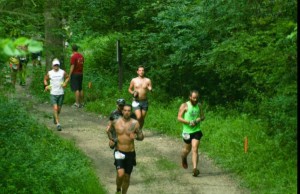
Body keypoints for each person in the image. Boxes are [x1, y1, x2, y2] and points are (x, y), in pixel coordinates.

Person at [107, 104, 144, 194]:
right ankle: (118, 189)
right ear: (122, 111)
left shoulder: (135, 123)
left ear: (130, 112)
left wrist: (135, 136)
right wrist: (111, 141)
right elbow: (109, 131)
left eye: (129, 110)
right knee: (120, 174)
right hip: (119, 151)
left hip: (130, 152)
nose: (127, 112)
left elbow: (141, 136)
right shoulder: (116, 122)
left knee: (127, 177)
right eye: (125, 110)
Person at [177, 90, 205, 177]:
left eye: (197, 98)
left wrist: (198, 119)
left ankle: (194, 169)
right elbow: (179, 118)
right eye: (194, 98)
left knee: (195, 148)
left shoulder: (199, 105)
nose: (195, 100)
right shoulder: (185, 105)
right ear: (190, 97)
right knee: (186, 150)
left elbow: (203, 116)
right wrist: (189, 122)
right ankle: (183, 157)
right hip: (187, 132)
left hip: (196, 130)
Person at [44, 58, 69, 131]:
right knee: (55, 108)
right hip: (53, 93)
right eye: (55, 65)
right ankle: (58, 124)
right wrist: (46, 86)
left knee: (59, 109)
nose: (56, 66)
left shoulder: (62, 72)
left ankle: (55, 117)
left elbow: (67, 77)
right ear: (52, 66)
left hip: (61, 93)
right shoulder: (50, 73)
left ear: (59, 65)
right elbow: (45, 79)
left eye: (57, 65)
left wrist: (65, 83)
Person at [128, 65, 152, 129]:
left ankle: (139, 130)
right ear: (137, 72)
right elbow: (129, 89)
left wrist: (150, 89)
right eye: (140, 70)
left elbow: (150, 89)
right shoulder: (134, 80)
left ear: (144, 71)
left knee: (142, 118)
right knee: (138, 117)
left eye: (142, 70)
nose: (141, 71)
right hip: (136, 101)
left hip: (144, 101)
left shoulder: (148, 80)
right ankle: (134, 128)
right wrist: (133, 92)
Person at [69, 44, 84, 108]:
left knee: (76, 89)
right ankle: (82, 103)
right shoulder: (81, 56)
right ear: (77, 49)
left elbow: (72, 66)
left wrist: (69, 74)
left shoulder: (73, 57)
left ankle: (77, 103)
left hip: (75, 74)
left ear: (72, 49)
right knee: (80, 88)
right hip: (81, 73)